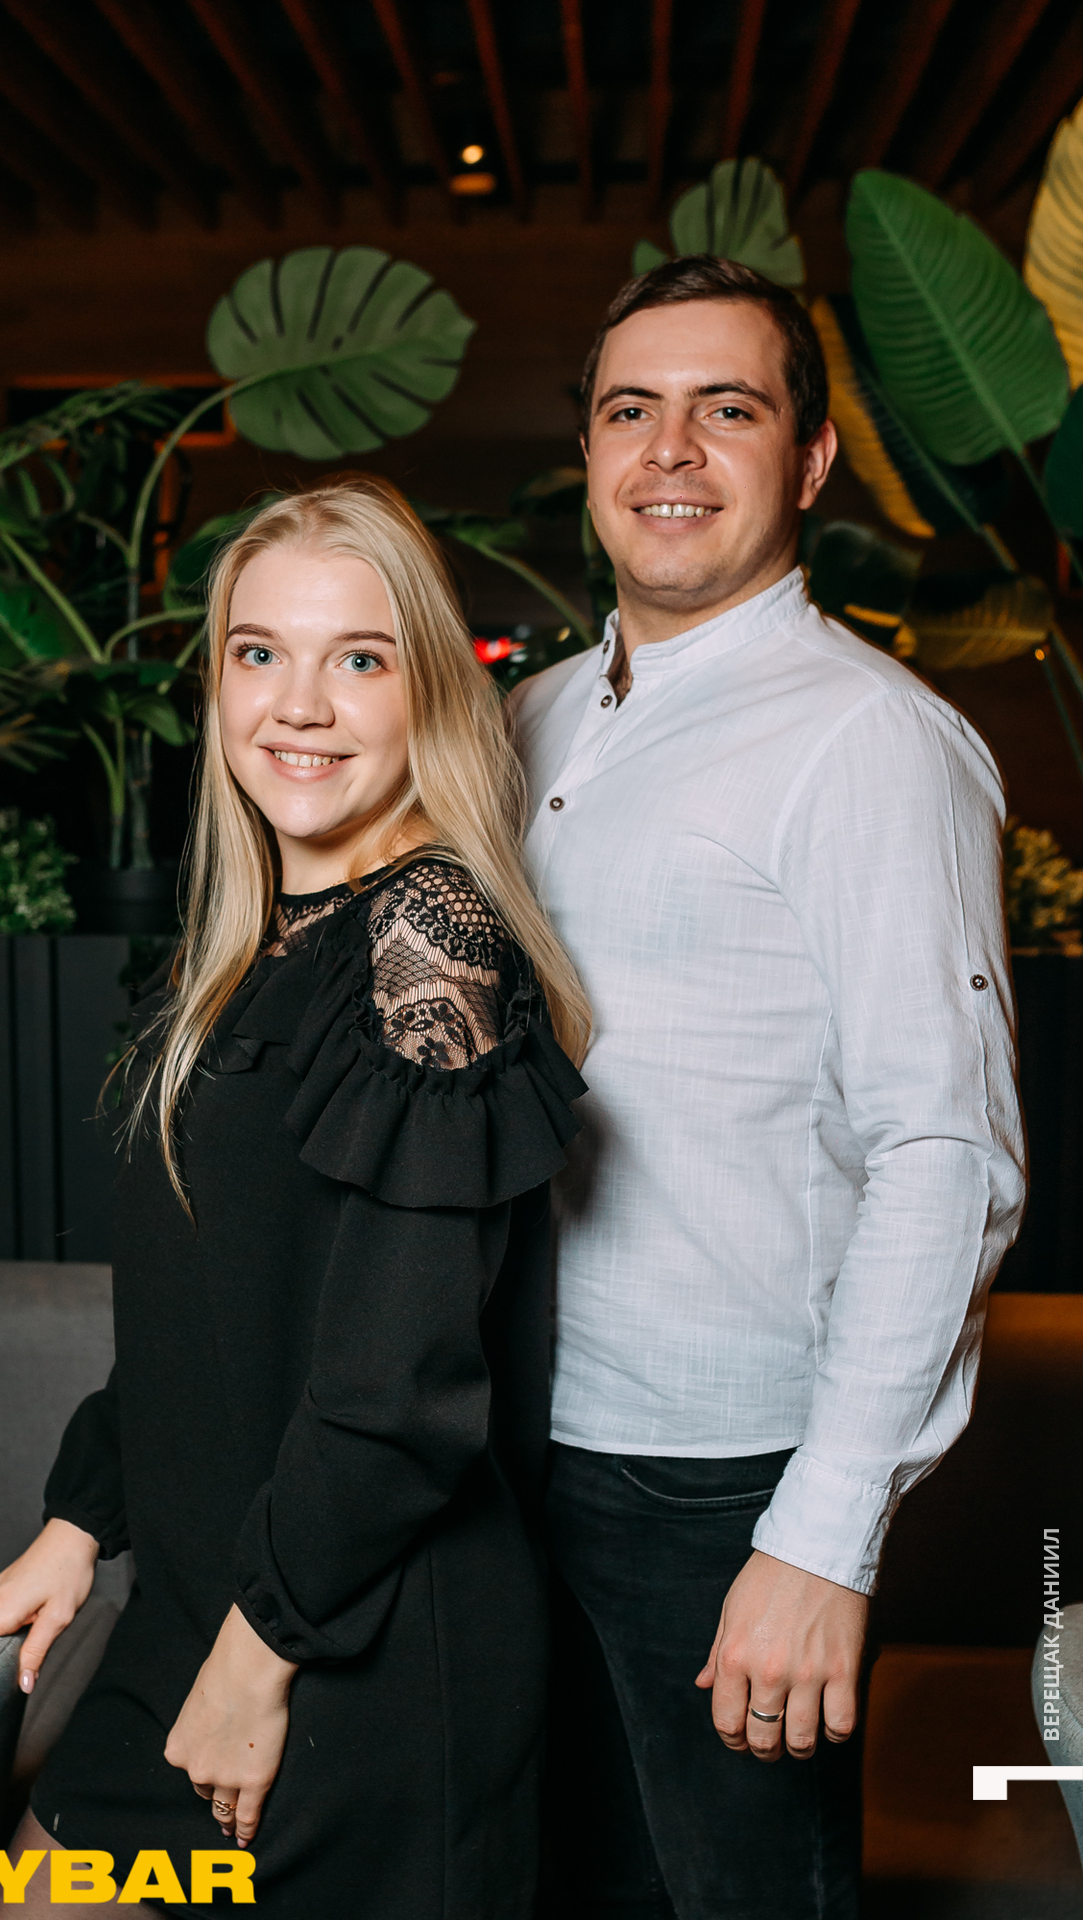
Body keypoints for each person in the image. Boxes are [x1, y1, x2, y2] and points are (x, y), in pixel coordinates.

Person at [0, 474, 589, 1918]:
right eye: (258, 652)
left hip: (352, 1651)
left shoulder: (433, 936)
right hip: (199, 1604)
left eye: (360, 659)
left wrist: (258, 1655)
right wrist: (76, 1525)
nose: (299, 704)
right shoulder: (246, 948)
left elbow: (400, 1389)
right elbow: (209, 1318)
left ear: (429, 692)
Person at [511, 256, 1026, 1919]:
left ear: (807, 462)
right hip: (510, 1438)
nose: (670, 448)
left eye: (725, 409)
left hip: (719, 1478)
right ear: (590, 452)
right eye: (631, 410)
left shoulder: (870, 741)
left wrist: (820, 1537)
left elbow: (946, 1152)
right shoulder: (524, 720)